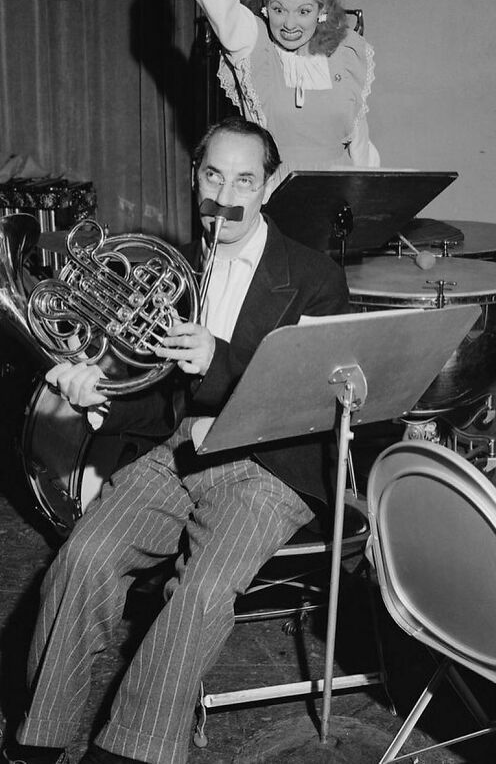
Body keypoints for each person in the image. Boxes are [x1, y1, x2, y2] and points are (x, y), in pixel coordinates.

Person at [3, 115, 350, 764]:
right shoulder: (174, 268)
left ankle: (131, 751)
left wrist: (216, 356)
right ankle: (41, 736)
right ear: (196, 179)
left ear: (269, 186)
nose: (228, 192)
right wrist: (96, 396)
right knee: (84, 554)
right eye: (214, 174)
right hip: (179, 453)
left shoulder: (314, 278)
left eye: (246, 178)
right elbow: (160, 400)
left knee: (200, 593)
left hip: (269, 469)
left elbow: (309, 401)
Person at [188, 0, 380, 194]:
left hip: (339, 207)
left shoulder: (348, 53)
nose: (289, 24)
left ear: (321, 10)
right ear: (265, 6)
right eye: (278, 10)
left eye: (303, 11)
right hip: (274, 205)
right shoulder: (253, 43)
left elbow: (361, 150)